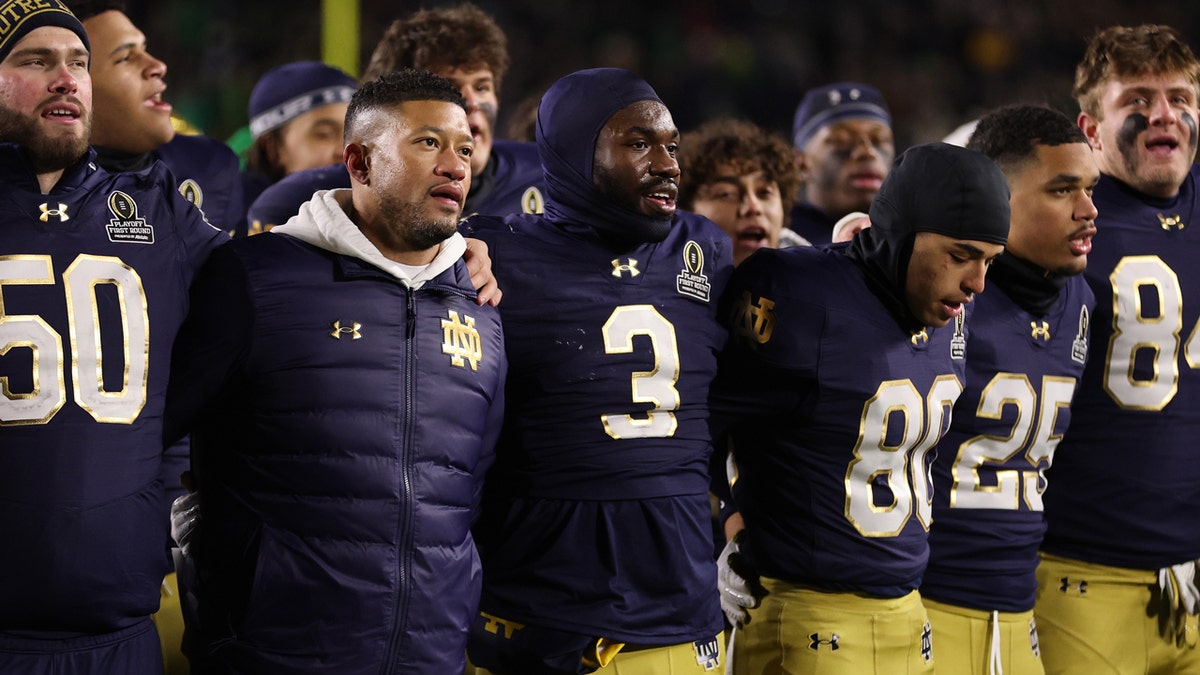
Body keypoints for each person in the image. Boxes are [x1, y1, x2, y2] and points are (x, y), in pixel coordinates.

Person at [163, 69, 506, 674]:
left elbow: (467, 487)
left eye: (464, 148)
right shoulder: (254, 278)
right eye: (427, 143)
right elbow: (151, 433)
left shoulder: (479, 305)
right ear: (359, 160)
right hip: (276, 655)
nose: (455, 164)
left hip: (432, 657)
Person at [463, 67, 732, 674]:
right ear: (572, 154)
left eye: (671, 145)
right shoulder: (487, 253)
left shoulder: (704, 249)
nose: (667, 165)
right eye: (638, 144)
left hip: (676, 620)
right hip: (535, 616)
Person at [713, 142, 1010, 674]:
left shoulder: (948, 308)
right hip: (805, 614)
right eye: (961, 255)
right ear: (900, 234)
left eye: (989, 261)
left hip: (909, 613)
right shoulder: (797, 293)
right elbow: (697, 424)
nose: (976, 283)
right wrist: (726, 523)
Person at [0, 4, 228, 673]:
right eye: (35, 61)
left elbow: (275, 282)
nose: (65, 78)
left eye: (77, 62)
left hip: (121, 628)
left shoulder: (157, 207)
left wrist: (451, 255)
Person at [1035, 24, 1200, 674]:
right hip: (1084, 580)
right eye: (1137, 99)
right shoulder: (1059, 220)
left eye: (1180, 96)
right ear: (1092, 129)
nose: (1164, 113)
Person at [921, 104, 1099, 675]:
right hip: (924, 599)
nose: (1088, 210)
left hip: (1020, 609)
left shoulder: (1081, 303)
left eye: (1090, 188)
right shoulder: (940, 294)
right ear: (996, 197)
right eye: (1062, 190)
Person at [247, 3, 544, 233]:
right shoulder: (306, 201)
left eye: (482, 86)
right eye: (449, 89)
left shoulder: (546, 174)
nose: (472, 103)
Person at [65, 0, 245, 237]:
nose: (157, 66)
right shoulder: (23, 183)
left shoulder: (211, 167)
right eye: (126, 57)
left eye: (144, 49)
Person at [678, 117, 806, 266]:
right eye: (726, 194)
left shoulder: (816, 278)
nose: (753, 207)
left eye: (764, 192)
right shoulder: (656, 281)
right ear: (685, 210)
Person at [789, 81, 894, 245]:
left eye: (879, 140)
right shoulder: (777, 239)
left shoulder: (914, 234)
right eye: (841, 141)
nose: (866, 152)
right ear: (801, 163)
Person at [240, 61, 357, 206]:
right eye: (324, 134)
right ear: (272, 148)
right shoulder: (226, 219)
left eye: (356, 132)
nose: (346, 149)